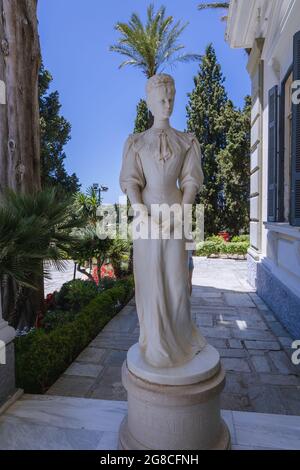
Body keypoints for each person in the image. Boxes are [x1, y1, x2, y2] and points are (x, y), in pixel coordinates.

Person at [119, 73, 206, 368]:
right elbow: (131, 180)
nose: (167, 104)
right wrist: (140, 209)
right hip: (146, 219)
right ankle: (154, 344)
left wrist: (183, 209)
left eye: (170, 98)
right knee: (150, 282)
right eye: (161, 99)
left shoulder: (186, 141)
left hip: (176, 215)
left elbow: (191, 179)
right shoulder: (135, 142)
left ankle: (180, 339)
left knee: (177, 282)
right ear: (149, 102)